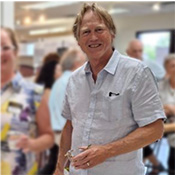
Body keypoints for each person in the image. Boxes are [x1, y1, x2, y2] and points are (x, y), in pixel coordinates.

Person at [53, 3, 166, 175]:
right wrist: (60, 168)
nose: (93, 37)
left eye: (99, 30)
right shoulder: (74, 80)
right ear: (78, 41)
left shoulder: (137, 73)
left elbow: (155, 129)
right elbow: (70, 126)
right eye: (86, 32)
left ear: (112, 33)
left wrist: (107, 151)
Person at [1, 27, 54, 175]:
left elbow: (49, 136)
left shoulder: (33, 93)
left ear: (15, 51)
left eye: (5, 47)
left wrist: (32, 144)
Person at [126, 39, 165, 174]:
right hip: (130, 113)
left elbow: (161, 76)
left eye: (140, 51)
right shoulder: (124, 69)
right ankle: (153, 165)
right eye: (134, 51)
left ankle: (153, 165)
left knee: (143, 139)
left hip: (145, 110)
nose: (138, 54)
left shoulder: (149, 67)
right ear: (128, 52)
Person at [49, 48, 86, 146]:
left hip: (58, 134)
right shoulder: (75, 81)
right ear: (77, 64)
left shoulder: (59, 82)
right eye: (84, 62)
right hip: (68, 137)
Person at [35, 52, 62, 175]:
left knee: (52, 161)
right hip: (54, 132)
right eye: (58, 71)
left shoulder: (40, 88)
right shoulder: (50, 91)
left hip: (47, 131)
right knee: (53, 162)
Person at [158, 54, 175, 175]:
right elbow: (153, 106)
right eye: (173, 66)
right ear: (166, 68)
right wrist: (165, 108)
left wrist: (171, 108)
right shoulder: (160, 86)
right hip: (165, 124)